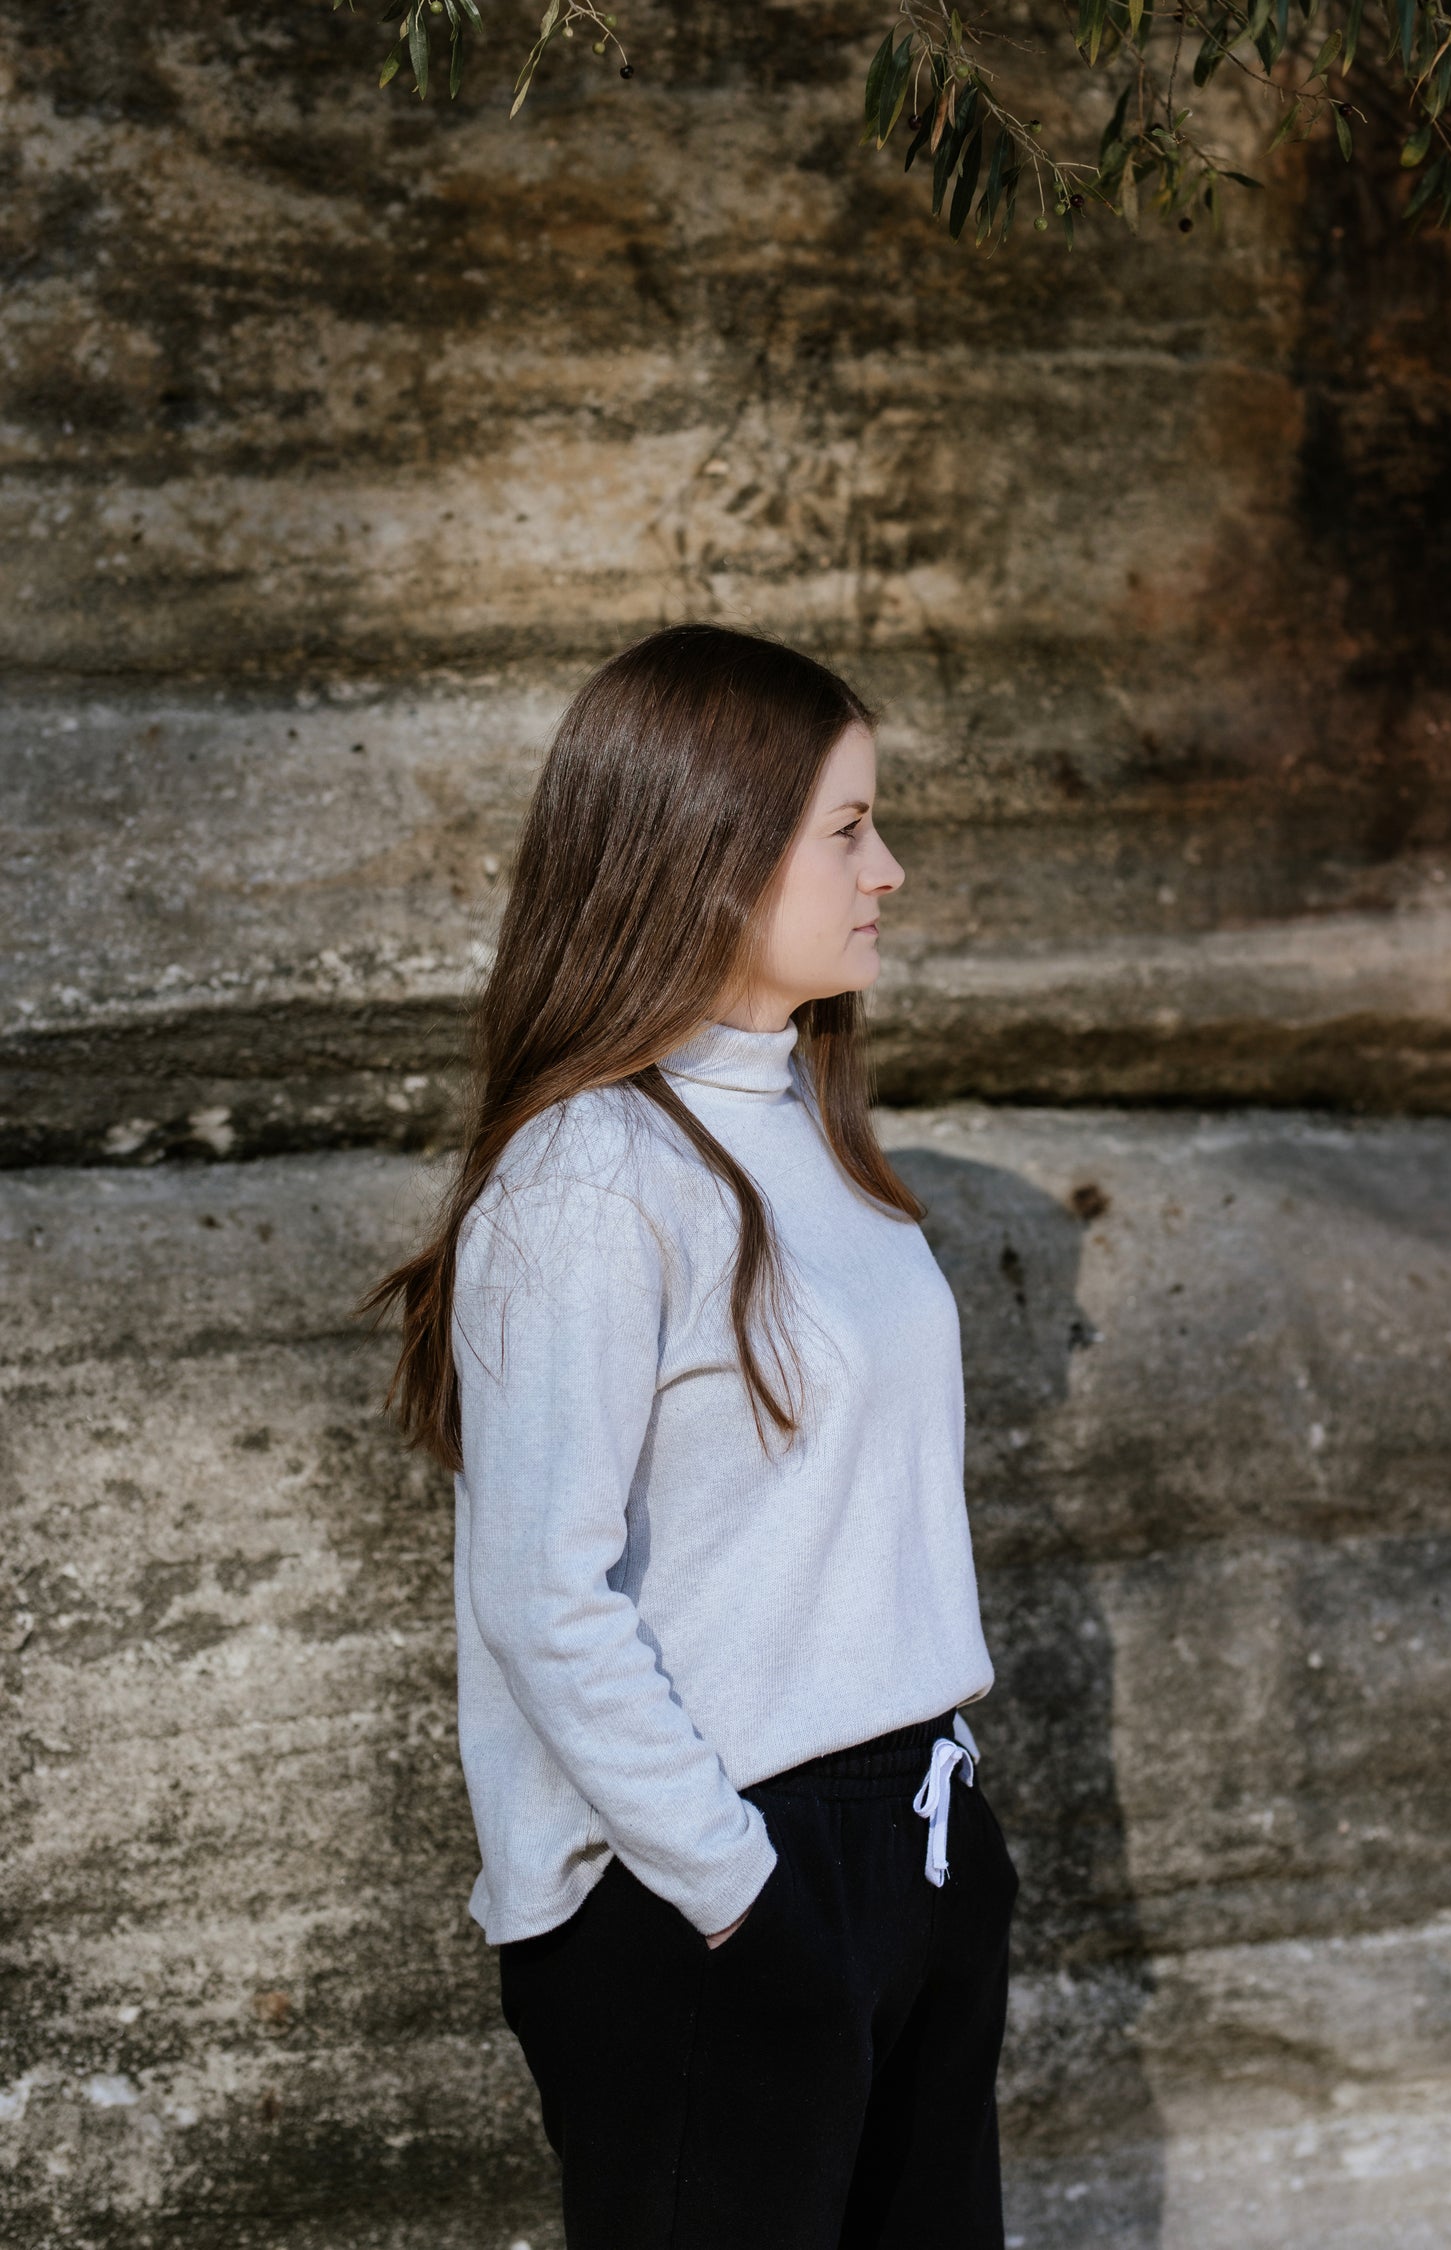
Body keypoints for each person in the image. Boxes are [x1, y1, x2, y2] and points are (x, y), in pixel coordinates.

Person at [368, 624, 1019, 2249]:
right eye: (849, 826)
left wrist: (946, 1870)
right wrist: (745, 1894)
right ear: (713, 852)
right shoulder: (594, 1174)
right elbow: (542, 1592)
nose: (891, 868)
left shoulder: (815, 1131)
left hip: (915, 1844)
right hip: (709, 1884)